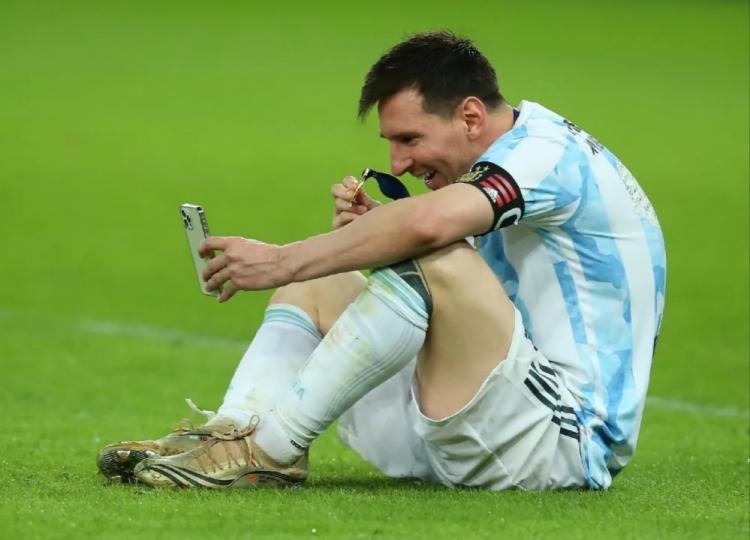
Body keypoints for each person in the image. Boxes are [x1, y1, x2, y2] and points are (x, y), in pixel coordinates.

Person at [97, 30, 665, 491]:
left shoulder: (547, 152)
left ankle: (266, 451)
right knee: (316, 286)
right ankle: (230, 434)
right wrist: (372, 231)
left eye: (410, 139)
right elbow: (467, 270)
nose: (398, 162)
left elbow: (430, 230)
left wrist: (282, 260)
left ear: (470, 117)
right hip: (490, 412)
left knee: (427, 252)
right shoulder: (514, 161)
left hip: (559, 442)